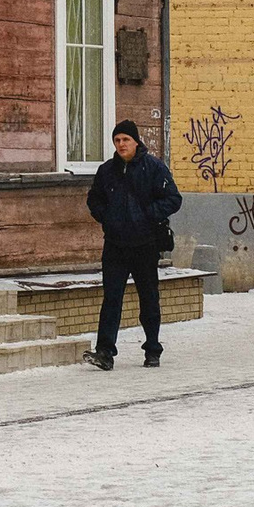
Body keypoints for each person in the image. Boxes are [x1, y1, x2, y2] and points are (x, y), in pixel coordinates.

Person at [85, 120, 180, 370]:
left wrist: (149, 214)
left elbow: (173, 199)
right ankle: (105, 352)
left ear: (136, 141)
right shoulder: (107, 171)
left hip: (145, 244)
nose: (121, 144)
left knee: (148, 298)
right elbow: (94, 199)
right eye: (117, 140)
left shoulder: (153, 168)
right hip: (115, 245)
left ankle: (152, 349)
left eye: (126, 140)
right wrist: (107, 217)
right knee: (111, 299)